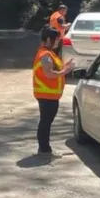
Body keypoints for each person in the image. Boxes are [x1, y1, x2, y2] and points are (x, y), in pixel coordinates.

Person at [33, 26, 75, 155]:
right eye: (56, 40)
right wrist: (65, 71)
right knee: (45, 122)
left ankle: (45, 147)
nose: (57, 42)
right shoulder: (45, 55)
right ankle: (44, 148)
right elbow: (49, 73)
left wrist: (65, 67)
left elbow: (54, 69)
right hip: (46, 95)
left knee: (46, 121)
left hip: (50, 95)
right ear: (48, 40)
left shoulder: (49, 53)